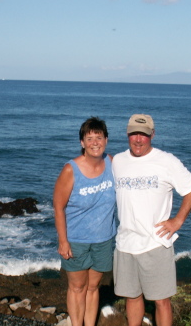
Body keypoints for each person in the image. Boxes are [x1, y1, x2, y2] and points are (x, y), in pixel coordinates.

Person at [112, 114, 191, 326]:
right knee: (131, 298)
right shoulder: (118, 161)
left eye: (143, 134)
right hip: (125, 244)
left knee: (161, 301)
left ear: (152, 134)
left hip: (155, 243)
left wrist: (177, 221)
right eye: (134, 134)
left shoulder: (166, 161)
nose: (138, 139)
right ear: (127, 134)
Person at [53, 117, 116, 326]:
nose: (95, 142)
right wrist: (63, 241)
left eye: (99, 137)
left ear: (106, 140)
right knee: (77, 287)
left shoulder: (112, 163)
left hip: (104, 239)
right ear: (82, 143)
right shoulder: (71, 170)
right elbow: (59, 207)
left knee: (93, 287)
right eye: (90, 138)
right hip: (77, 240)